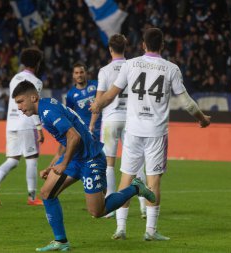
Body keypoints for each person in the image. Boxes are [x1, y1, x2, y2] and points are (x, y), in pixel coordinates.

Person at [90, 28, 211, 241]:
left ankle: (120, 228)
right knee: (153, 181)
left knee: (126, 178)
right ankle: (150, 231)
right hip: (156, 133)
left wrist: (97, 105)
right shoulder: (170, 69)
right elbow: (186, 102)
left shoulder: (130, 64)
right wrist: (202, 119)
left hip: (133, 131)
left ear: (143, 45)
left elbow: (110, 95)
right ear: (162, 45)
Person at [12, 81, 156, 252]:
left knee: (97, 211)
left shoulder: (48, 112)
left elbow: (74, 137)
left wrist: (63, 164)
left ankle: (135, 188)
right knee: (46, 193)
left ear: (33, 97)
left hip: (91, 159)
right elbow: (65, 140)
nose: (19, 107)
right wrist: (52, 166)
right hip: (75, 158)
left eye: (21, 101)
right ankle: (61, 241)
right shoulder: (45, 108)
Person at [89, 34, 147, 221]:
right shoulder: (133, 66)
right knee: (136, 161)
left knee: (109, 164)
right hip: (131, 120)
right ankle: (144, 206)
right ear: (126, 47)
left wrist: (91, 123)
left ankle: (111, 206)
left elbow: (100, 100)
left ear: (110, 49)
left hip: (111, 121)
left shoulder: (104, 71)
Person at [0, 47, 45, 206]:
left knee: (13, 160)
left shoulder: (14, 79)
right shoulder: (36, 82)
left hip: (11, 123)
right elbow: (33, 105)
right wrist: (39, 128)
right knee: (31, 159)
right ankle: (32, 197)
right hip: (26, 123)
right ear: (37, 63)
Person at [66, 62, 102, 140]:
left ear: (86, 73)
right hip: (84, 131)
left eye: (81, 72)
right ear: (73, 75)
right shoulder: (70, 94)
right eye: (76, 73)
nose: (79, 75)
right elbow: (69, 114)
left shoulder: (97, 85)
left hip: (101, 128)